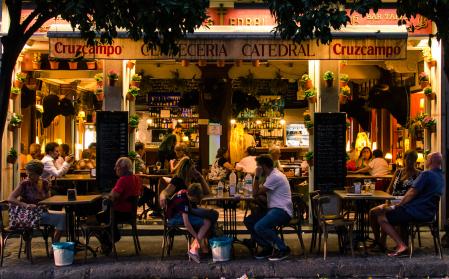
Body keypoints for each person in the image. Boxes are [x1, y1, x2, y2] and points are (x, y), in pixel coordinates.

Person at [376, 152, 444, 257]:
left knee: (381, 216)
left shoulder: (425, 174)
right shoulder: (441, 176)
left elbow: (411, 193)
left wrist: (396, 206)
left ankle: (401, 245)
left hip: (415, 211)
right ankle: (400, 243)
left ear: (430, 161)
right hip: (429, 214)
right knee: (393, 212)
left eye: (426, 159)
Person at [244, 155, 293, 261]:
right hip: (273, 209)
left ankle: (283, 249)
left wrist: (256, 176)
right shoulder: (271, 176)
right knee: (249, 221)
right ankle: (267, 247)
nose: (256, 168)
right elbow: (261, 195)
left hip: (282, 211)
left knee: (259, 226)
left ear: (263, 166)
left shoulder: (275, 177)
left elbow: (255, 192)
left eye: (258, 166)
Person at [368, 150, 420, 249]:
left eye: (411, 159)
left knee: (382, 212)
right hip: (392, 200)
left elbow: (416, 193)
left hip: (405, 203)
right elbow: (390, 188)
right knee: (372, 212)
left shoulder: (418, 174)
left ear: (415, 160)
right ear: (404, 159)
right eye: (407, 158)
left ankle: (382, 242)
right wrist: (387, 200)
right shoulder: (398, 171)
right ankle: (378, 240)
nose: (409, 161)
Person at [8, 160, 66, 242]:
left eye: (31, 174)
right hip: (28, 215)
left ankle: (54, 247)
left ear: (38, 174)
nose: (28, 176)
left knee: (63, 217)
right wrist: (25, 205)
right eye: (27, 173)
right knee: (61, 218)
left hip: (40, 213)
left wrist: (45, 205)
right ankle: (53, 249)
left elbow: (48, 200)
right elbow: (10, 198)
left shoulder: (45, 183)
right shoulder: (24, 184)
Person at [98, 157, 142, 253]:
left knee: (96, 218)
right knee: (105, 216)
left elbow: (112, 197)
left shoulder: (123, 180)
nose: (115, 169)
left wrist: (108, 194)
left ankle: (110, 239)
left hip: (120, 212)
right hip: (130, 213)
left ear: (124, 168)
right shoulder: (136, 178)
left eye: (117, 167)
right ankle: (109, 241)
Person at [160, 159, 218, 231]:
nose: (195, 170)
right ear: (187, 170)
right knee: (211, 216)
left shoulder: (192, 180)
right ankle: (206, 239)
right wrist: (162, 197)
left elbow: (207, 193)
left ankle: (209, 238)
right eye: (193, 168)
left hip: (192, 209)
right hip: (182, 211)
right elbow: (166, 191)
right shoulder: (177, 180)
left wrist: (201, 177)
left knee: (214, 214)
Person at [166, 183, 211, 263]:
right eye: (196, 199)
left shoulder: (184, 192)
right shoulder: (184, 202)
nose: (197, 201)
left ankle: (195, 248)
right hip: (175, 218)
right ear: (193, 197)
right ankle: (193, 249)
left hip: (173, 215)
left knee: (204, 220)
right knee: (207, 222)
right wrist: (196, 237)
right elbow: (186, 223)